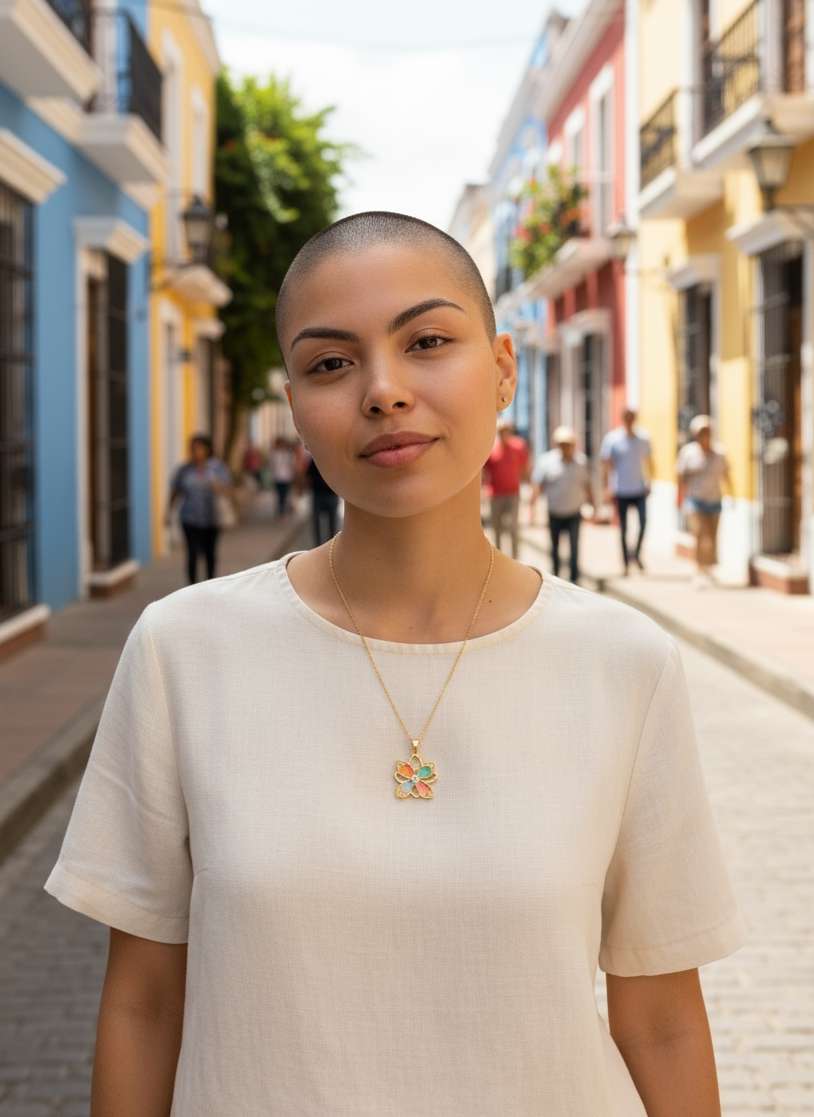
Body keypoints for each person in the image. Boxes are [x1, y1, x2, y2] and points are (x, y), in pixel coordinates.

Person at [47, 212, 744, 1117]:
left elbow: (660, 1022)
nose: (383, 391)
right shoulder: (185, 650)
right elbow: (144, 1003)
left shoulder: (624, 664)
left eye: (427, 342)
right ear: (295, 405)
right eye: (331, 363)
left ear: (501, 369)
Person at [165, 434, 233, 585]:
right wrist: (168, 513)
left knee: (210, 553)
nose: (195, 451)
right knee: (192, 552)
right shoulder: (184, 470)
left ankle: (210, 584)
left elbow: (230, 490)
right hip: (189, 518)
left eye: (199, 448)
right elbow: (175, 491)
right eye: (193, 448)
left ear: (207, 449)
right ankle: (192, 586)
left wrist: (220, 486)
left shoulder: (217, 468)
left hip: (211, 518)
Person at [677, 415, 734, 587]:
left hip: (715, 500)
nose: (704, 435)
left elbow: (727, 475)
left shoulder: (720, 453)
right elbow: (680, 477)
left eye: (707, 431)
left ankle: (708, 569)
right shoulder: (688, 453)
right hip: (695, 501)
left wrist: (731, 495)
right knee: (700, 535)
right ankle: (699, 569)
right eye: (701, 432)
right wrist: (678, 499)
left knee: (712, 538)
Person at [533, 425, 594, 585]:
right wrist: (533, 508)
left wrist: (593, 506)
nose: (565, 448)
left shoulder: (581, 462)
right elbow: (538, 485)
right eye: (562, 444)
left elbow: (587, 485)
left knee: (574, 547)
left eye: (568, 444)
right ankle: (556, 577)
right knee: (554, 547)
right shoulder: (547, 461)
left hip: (574, 512)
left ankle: (574, 578)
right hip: (554, 512)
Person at [601, 407, 654, 575]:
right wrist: (607, 487)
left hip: (638, 488)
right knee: (623, 528)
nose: (630, 421)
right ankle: (625, 563)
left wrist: (649, 482)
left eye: (632, 417)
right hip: (621, 489)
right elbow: (607, 465)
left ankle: (636, 553)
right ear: (623, 419)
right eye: (627, 417)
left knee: (643, 522)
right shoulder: (613, 439)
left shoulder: (643, 438)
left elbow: (649, 461)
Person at [484, 420, 530, 558]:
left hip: (513, 493)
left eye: (507, 430)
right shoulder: (491, 448)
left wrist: (530, 487)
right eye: (502, 430)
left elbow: (525, 468)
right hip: (495, 494)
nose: (505, 433)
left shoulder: (519, 446)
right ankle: (497, 558)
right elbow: (484, 472)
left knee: (513, 528)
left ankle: (515, 560)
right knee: (496, 528)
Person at [306, 452, 340, 545]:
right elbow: (309, 476)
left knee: (329, 523)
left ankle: (329, 545)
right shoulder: (315, 461)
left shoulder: (318, 460)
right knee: (327, 523)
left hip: (327, 495)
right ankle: (324, 545)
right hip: (322, 495)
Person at [270, 435, 297, 519]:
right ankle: (281, 512)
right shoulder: (275, 454)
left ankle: (282, 512)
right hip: (279, 478)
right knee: (280, 496)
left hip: (286, 477)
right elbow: (273, 466)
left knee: (284, 495)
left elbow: (292, 465)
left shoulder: (288, 454)